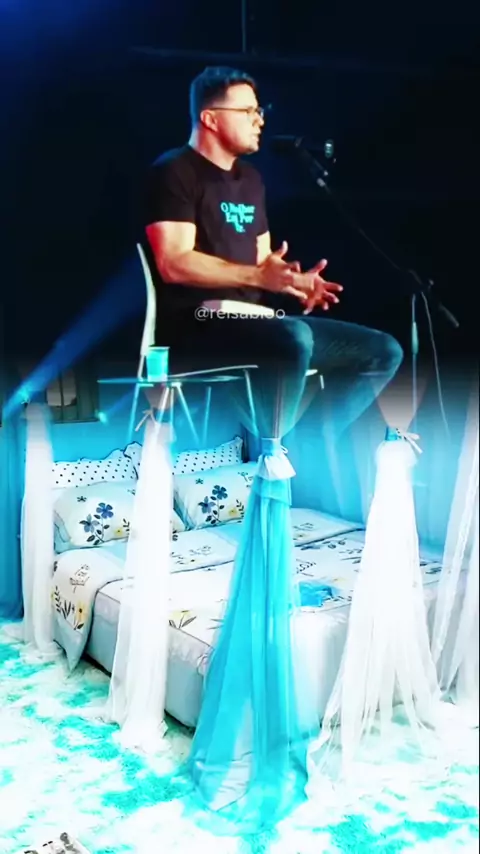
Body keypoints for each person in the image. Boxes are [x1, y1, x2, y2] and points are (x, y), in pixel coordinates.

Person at [142, 66, 403, 436]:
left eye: (259, 111)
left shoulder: (251, 179)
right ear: (210, 118)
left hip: (256, 321)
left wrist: (293, 282)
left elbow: (263, 260)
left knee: (382, 350)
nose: (259, 120)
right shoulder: (174, 172)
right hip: (195, 326)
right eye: (247, 111)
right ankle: (272, 445)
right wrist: (258, 275)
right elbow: (174, 262)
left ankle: (307, 442)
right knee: (294, 337)